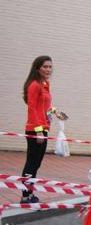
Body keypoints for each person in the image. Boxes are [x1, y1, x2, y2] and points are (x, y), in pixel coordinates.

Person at [21, 55, 66, 203]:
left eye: (50, 66)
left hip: (43, 129)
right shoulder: (34, 85)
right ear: (37, 68)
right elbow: (32, 108)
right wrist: (39, 130)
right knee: (32, 162)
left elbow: (44, 106)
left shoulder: (45, 84)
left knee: (37, 163)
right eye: (45, 66)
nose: (48, 69)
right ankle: (25, 195)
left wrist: (54, 111)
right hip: (35, 130)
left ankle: (30, 193)